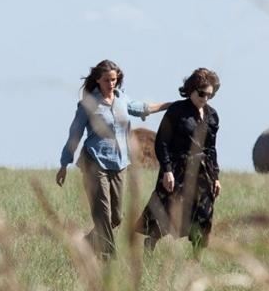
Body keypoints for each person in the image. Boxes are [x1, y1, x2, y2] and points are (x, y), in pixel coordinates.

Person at [56, 59, 171, 260]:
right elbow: (74, 134)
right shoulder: (88, 104)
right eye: (107, 80)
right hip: (94, 162)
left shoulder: (122, 100)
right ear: (98, 80)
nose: (111, 84)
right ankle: (109, 258)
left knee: (116, 217)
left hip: (120, 163)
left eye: (114, 80)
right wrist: (64, 163)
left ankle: (85, 244)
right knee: (103, 215)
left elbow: (143, 108)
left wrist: (170, 105)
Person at [136, 67, 222, 252]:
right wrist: (167, 170)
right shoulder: (176, 111)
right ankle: (151, 242)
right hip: (177, 170)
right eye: (201, 93)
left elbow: (211, 148)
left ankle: (197, 259)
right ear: (191, 89)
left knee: (203, 214)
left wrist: (215, 177)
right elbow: (161, 143)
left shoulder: (212, 115)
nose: (205, 98)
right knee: (169, 211)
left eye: (210, 95)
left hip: (203, 172)